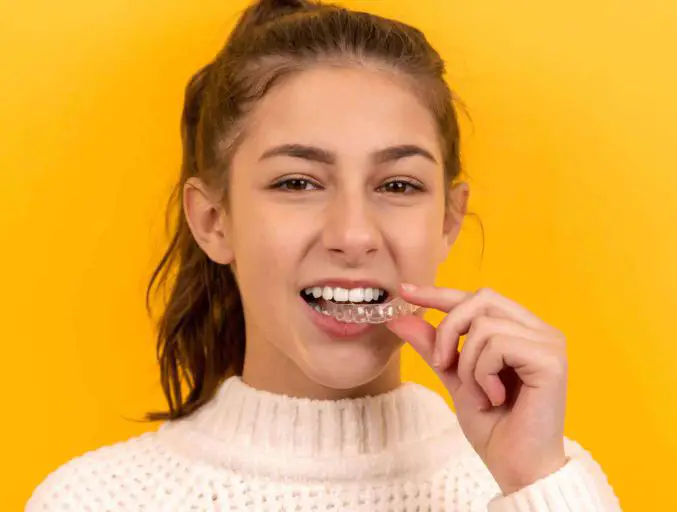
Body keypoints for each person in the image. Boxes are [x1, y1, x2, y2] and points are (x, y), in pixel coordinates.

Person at [26, 0, 622, 510]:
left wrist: (535, 482)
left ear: (448, 220)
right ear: (212, 221)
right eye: (297, 183)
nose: (354, 235)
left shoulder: (547, 483)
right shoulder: (94, 500)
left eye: (398, 185)